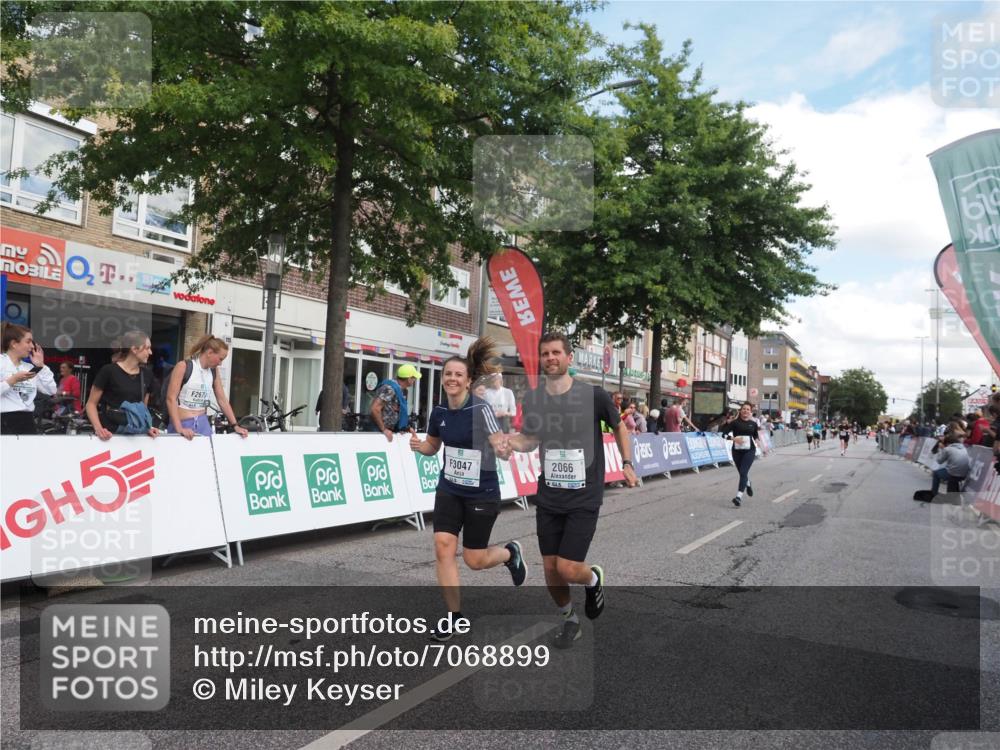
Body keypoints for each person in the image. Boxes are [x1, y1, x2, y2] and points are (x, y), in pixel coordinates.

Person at [503, 331, 638, 649]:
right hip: (549, 493)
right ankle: (570, 621)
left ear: (569, 357)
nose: (550, 358)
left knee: (567, 567)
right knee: (550, 569)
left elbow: (618, 425)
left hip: (584, 495)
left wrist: (627, 462)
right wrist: (511, 444)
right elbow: (530, 438)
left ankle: (592, 580)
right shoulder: (536, 399)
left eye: (556, 353)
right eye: (545, 354)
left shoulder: (594, 396)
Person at [409, 337, 526, 641]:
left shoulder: (481, 409)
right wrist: (421, 446)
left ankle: (509, 553)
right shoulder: (439, 413)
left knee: (474, 560)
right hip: (449, 489)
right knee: (443, 548)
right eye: (448, 373)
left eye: (458, 374)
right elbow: (434, 445)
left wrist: (502, 450)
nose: (452, 378)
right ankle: (453, 617)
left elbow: (498, 442)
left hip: (481, 493)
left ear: (468, 380)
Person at [165, 335, 249, 439]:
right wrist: (179, 428)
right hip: (182, 422)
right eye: (220, 359)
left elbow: (222, 399)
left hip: (202, 423)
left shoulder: (214, 371)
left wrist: (235, 425)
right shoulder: (183, 366)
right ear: (209, 353)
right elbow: (171, 398)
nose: (220, 363)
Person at [85, 331, 159, 440]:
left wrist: (147, 427)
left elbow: (142, 408)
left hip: (136, 437)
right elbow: (91, 404)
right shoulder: (108, 371)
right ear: (134, 349)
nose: (151, 352)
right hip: (110, 436)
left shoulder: (147, 375)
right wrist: (99, 429)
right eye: (147, 348)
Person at [1, 323, 57, 435]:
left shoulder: (30, 368)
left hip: (27, 421)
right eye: (28, 341)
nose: (32, 346)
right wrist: (13, 380)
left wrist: (41, 366)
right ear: (14, 344)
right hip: (3, 420)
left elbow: (51, 390)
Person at [720, 402, 761, 507]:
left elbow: (756, 436)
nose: (746, 411)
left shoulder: (753, 424)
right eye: (744, 409)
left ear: (750, 412)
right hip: (737, 451)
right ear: (740, 411)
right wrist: (734, 439)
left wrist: (758, 442)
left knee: (743, 472)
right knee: (742, 474)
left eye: (748, 409)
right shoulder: (734, 423)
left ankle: (738, 497)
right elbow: (723, 434)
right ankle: (748, 483)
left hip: (749, 451)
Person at [371, 364, 420, 441]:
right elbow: (375, 408)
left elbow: (395, 410)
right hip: (380, 432)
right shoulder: (390, 389)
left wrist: (402, 427)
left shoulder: (400, 390)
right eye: (414, 378)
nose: (415, 380)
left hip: (390, 431)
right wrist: (384, 429)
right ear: (409, 379)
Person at [930, 430, 970, 496]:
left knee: (936, 473)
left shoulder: (948, 449)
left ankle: (934, 493)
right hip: (964, 475)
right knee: (951, 471)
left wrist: (941, 449)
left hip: (953, 474)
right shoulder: (964, 448)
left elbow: (939, 461)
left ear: (948, 443)